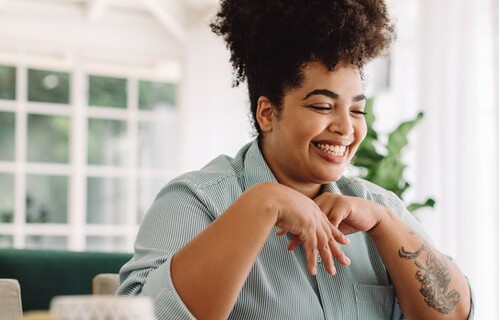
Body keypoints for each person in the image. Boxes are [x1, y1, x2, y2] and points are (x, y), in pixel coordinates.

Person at [116, 0, 474, 319]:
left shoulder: (377, 207)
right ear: (268, 113)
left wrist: (384, 223)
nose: (346, 128)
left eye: (357, 110)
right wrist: (263, 202)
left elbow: (455, 315)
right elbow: (141, 315)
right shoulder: (195, 201)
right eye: (322, 106)